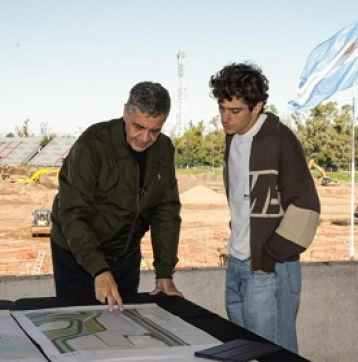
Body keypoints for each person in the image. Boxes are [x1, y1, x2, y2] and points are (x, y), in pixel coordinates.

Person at [208, 62, 320, 354]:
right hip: (237, 263)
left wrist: (268, 258)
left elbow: (306, 207)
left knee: (273, 354)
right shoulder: (233, 140)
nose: (225, 119)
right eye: (222, 109)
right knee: (246, 352)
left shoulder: (280, 139)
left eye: (235, 111)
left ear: (257, 107)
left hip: (269, 269)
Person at [50, 81, 183, 311]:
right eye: (138, 127)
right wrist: (99, 270)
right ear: (125, 112)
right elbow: (73, 212)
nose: (144, 138)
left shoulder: (163, 150)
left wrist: (164, 273)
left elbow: (166, 212)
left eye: (154, 130)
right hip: (77, 256)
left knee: (121, 329)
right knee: (80, 327)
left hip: (125, 256)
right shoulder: (93, 145)